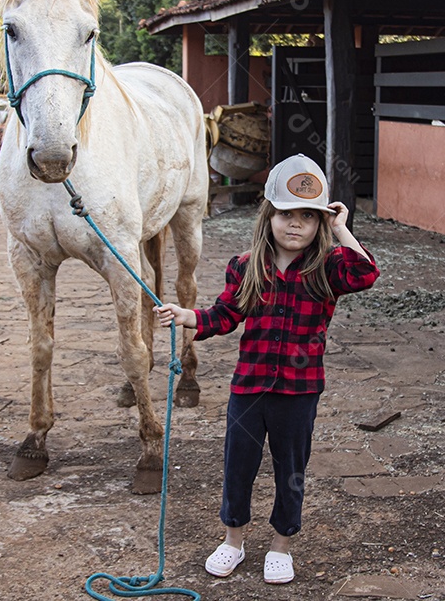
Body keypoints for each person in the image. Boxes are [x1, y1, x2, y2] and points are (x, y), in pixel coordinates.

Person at [155, 153, 380, 585]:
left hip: (299, 389)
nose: (294, 224)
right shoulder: (245, 266)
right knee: (238, 463)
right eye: (284, 214)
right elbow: (225, 315)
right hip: (249, 387)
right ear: (267, 215)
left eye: (307, 218)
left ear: (319, 224)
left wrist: (341, 229)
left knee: (289, 467)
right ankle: (233, 540)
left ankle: (281, 544)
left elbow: (367, 273)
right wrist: (189, 317)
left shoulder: (328, 267)